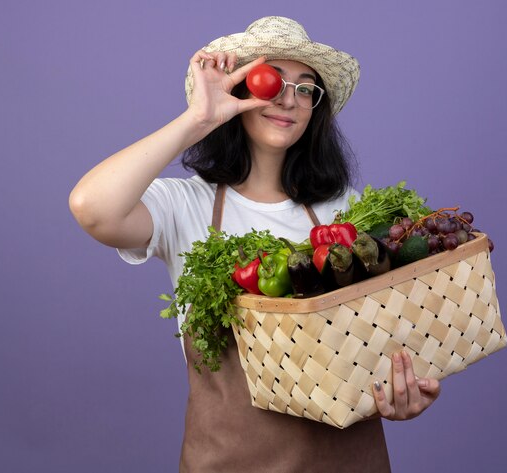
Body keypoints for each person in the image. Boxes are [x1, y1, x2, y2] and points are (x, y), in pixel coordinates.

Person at [69, 16, 441, 472]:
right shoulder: (186, 205)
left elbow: (380, 338)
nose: (290, 98)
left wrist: (398, 392)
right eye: (272, 81)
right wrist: (197, 119)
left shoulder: (344, 212)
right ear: (241, 91)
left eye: (306, 88)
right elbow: (92, 207)